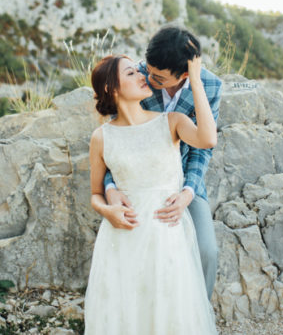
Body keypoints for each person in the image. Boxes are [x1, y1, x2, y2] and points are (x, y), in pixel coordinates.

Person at [84, 49, 218, 334]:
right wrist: (107, 209)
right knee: (128, 311)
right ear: (112, 88)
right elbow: (95, 193)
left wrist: (195, 80)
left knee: (169, 308)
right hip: (123, 236)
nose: (142, 75)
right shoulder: (101, 137)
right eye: (131, 73)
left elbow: (207, 139)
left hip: (166, 231)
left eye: (139, 70)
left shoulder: (171, 122)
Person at [104, 26, 222, 298]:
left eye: (158, 77)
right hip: (138, 180)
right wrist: (111, 188)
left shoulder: (211, 86)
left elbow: (201, 150)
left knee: (207, 251)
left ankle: (196, 315)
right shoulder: (139, 75)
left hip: (183, 181)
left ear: (183, 73)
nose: (148, 77)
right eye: (147, 69)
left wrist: (187, 193)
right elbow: (114, 139)